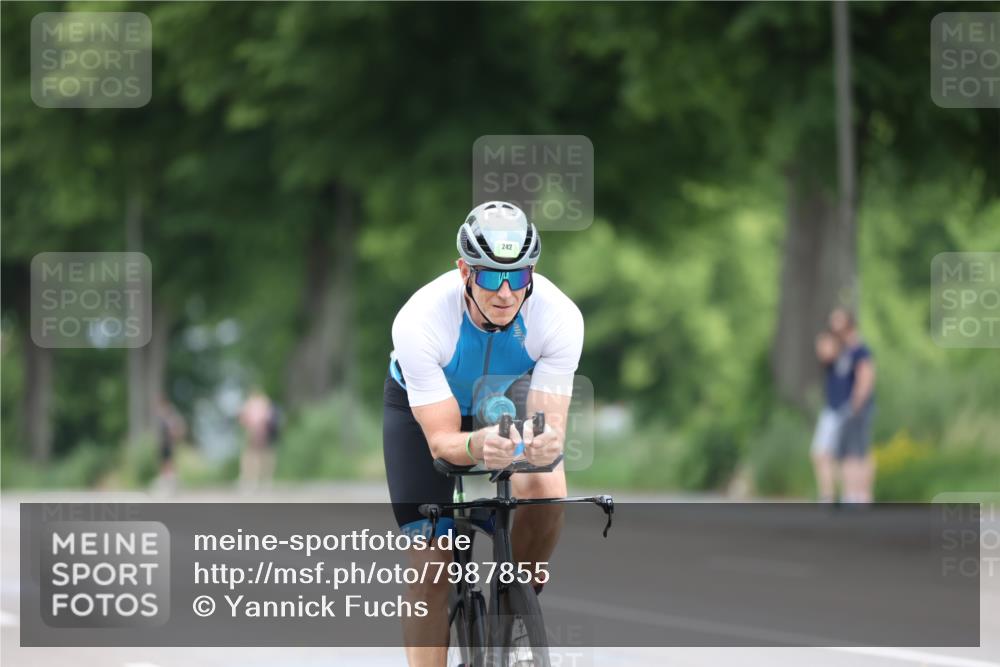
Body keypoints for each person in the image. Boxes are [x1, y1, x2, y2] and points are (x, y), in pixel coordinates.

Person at [383, 201, 583, 667]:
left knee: (546, 485)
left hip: (504, 396)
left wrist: (545, 443)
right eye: (491, 277)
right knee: (431, 566)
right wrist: (477, 444)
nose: (506, 292)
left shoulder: (560, 317)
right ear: (465, 272)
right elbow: (442, 442)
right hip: (425, 410)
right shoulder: (420, 320)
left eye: (519, 276)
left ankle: (517, 597)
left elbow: (549, 427)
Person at [828, 308, 877, 505]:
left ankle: (862, 495)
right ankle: (850, 494)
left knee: (859, 452)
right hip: (844, 409)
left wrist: (856, 403)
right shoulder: (844, 351)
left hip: (856, 408)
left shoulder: (859, 350)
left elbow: (866, 377)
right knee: (847, 454)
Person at [811, 331, 842, 503]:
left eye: (824, 346)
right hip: (830, 411)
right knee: (822, 455)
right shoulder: (830, 366)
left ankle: (831, 496)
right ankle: (829, 495)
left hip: (836, 412)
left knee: (824, 454)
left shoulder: (843, 361)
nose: (820, 351)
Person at [239, 389, 276, 491]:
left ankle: (259, 480)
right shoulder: (262, 403)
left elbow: (244, 418)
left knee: (260, 455)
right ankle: (255, 480)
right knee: (254, 455)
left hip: (259, 431)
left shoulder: (257, 403)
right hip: (256, 431)